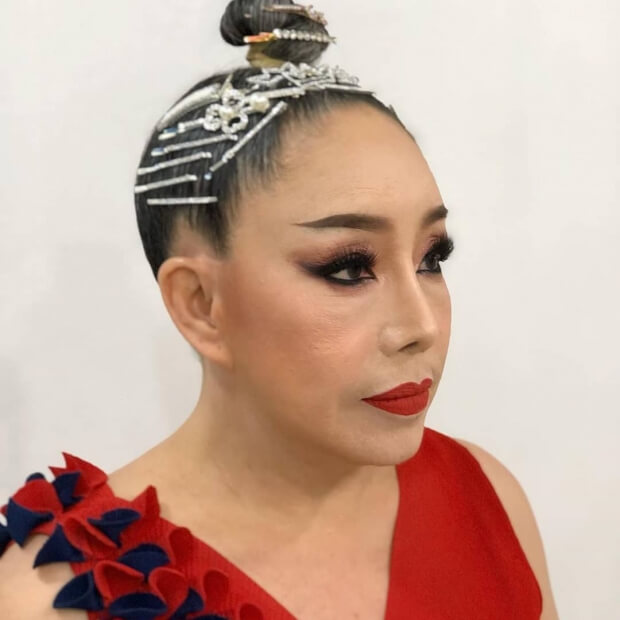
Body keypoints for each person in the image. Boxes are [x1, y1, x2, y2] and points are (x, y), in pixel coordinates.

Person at [0, 1, 559, 618]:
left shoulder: (484, 497)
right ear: (200, 304)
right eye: (348, 267)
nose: (421, 326)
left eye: (432, 258)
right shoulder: (56, 598)